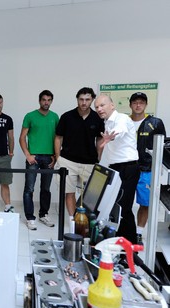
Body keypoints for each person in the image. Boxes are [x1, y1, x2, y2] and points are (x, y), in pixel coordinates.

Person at [55, 87, 104, 223]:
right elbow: (58, 137)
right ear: (77, 99)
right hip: (68, 160)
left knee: (89, 195)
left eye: (87, 99)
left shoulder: (97, 118)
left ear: (92, 100)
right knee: (69, 192)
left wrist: (99, 156)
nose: (84, 102)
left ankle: (84, 221)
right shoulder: (67, 116)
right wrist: (58, 157)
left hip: (89, 162)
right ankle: (72, 221)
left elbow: (100, 138)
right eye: (81, 99)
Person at [96, 94, 139, 244]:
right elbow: (109, 151)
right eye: (97, 107)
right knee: (115, 207)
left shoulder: (121, 119)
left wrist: (111, 137)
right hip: (115, 168)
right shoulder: (107, 122)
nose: (99, 109)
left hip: (128, 168)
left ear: (112, 105)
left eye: (102, 105)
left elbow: (118, 132)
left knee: (123, 208)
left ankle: (130, 246)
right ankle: (119, 243)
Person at [129, 92, 166, 244]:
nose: (138, 105)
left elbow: (162, 146)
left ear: (145, 105)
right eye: (135, 102)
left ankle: (138, 233)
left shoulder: (155, 123)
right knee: (123, 204)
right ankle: (126, 231)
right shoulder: (124, 122)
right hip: (128, 169)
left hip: (147, 170)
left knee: (145, 204)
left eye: (141, 103)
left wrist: (159, 167)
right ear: (130, 104)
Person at [19, 90, 59, 230]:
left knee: (46, 189)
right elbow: (22, 137)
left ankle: (44, 214)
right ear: (39, 100)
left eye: (48, 100)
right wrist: (27, 154)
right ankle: (30, 218)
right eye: (43, 99)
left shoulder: (55, 117)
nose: (46, 102)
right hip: (33, 157)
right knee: (29, 189)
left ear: (51, 101)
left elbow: (57, 139)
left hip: (49, 158)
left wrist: (55, 157)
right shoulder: (30, 116)